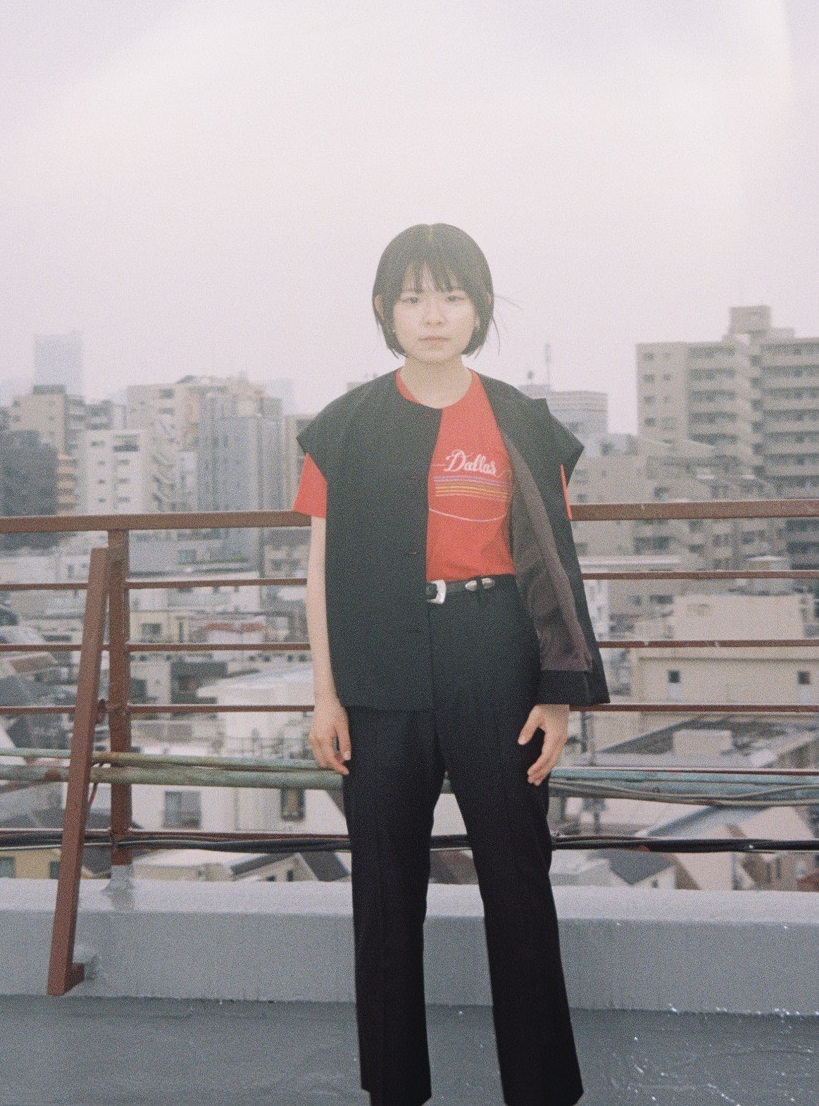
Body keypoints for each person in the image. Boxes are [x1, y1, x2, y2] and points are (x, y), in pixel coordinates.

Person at [295, 223, 610, 1106]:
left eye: (451, 296)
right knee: (384, 894)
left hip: (495, 662)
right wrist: (325, 696)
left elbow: (554, 565)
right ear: (384, 310)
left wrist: (557, 695)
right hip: (379, 669)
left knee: (517, 882)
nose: (432, 315)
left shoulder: (521, 421)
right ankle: (393, 1090)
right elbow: (317, 571)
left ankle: (541, 1090)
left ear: (479, 308)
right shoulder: (344, 426)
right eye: (412, 297)